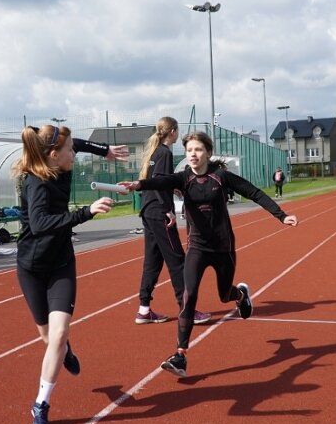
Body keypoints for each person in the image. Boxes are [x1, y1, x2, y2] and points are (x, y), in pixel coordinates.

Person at [119, 131, 298, 378]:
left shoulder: (221, 177)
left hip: (223, 248)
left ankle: (240, 295)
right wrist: (137, 185)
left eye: (198, 150)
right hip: (197, 248)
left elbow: (254, 192)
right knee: (188, 295)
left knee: (224, 295)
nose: (193, 154)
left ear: (208, 153)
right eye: (190, 150)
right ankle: (180, 355)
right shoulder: (183, 179)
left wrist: (281, 215)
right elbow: (159, 181)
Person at [12, 125, 115, 424]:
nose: (75, 153)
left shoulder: (63, 166)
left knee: (57, 335)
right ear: (55, 156)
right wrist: (87, 212)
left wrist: (104, 151)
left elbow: (79, 143)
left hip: (61, 265)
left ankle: (40, 404)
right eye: (69, 150)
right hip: (31, 268)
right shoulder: (35, 183)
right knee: (48, 338)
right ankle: (64, 349)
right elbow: (42, 223)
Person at [135, 117, 210, 326]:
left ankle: (144, 310)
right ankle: (187, 310)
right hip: (158, 212)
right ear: (174, 132)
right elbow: (159, 181)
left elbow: (158, 181)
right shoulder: (165, 153)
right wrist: (167, 209)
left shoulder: (155, 151)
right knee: (178, 261)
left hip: (148, 210)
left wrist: (172, 189)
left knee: (153, 262)